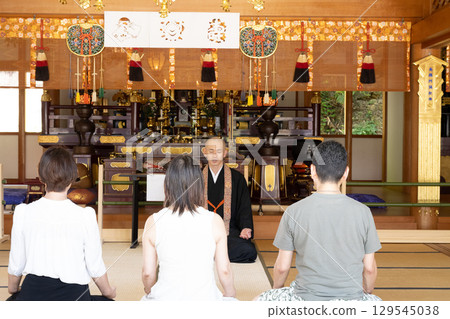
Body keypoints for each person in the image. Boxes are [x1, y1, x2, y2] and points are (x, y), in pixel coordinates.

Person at [257, 141, 381, 301]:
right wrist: (367, 292)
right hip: (352, 300)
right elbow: (369, 269)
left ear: (313, 170)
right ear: (346, 173)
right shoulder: (363, 212)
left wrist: (276, 290)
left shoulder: (294, 211)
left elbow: (282, 268)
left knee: (256, 303)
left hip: (305, 299)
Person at [7, 146, 116, 301]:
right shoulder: (85, 215)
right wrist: (109, 293)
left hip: (34, 294)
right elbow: (95, 265)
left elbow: (17, 262)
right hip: (74, 296)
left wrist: (13, 288)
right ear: (73, 177)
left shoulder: (23, 212)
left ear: (40, 176)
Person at [141, 155, 236, 301]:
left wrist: (150, 292)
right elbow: (224, 270)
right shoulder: (214, 220)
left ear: (167, 184)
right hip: (205, 302)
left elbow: (148, 273)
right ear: (199, 185)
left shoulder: (153, 221)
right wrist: (230, 295)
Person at [202, 137, 257, 263]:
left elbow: (244, 207)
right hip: (201, 232)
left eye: (219, 151)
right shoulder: (195, 178)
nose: (215, 155)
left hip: (228, 231)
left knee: (248, 251)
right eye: (211, 151)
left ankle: (209, 254)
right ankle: (218, 254)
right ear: (204, 152)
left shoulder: (237, 178)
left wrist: (245, 227)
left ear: (225, 153)